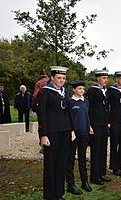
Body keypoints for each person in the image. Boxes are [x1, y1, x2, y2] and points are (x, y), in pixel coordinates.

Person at [38, 66, 75, 200]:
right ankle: (49, 196)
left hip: (65, 132)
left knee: (61, 164)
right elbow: (41, 115)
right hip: (51, 133)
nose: (61, 80)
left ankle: (59, 194)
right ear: (52, 78)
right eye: (59, 78)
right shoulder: (45, 92)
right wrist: (43, 135)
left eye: (64, 78)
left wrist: (72, 130)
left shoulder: (65, 92)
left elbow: (69, 113)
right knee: (50, 165)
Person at [66, 80, 93, 195]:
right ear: (74, 90)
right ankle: (70, 184)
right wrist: (71, 131)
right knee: (70, 159)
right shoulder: (70, 102)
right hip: (73, 135)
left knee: (82, 158)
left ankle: (84, 181)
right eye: (79, 89)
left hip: (84, 134)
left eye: (83, 89)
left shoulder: (85, 101)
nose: (81, 91)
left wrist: (89, 126)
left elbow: (87, 115)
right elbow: (67, 118)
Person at [86, 69, 111, 185]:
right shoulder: (92, 91)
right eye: (103, 78)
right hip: (95, 124)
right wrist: (89, 124)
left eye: (106, 78)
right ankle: (95, 176)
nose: (105, 80)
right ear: (97, 78)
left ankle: (102, 173)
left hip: (104, 123)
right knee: (96, 150)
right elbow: (89, 108)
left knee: (103, 148)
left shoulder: (106, 90)